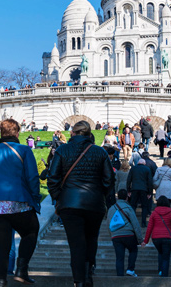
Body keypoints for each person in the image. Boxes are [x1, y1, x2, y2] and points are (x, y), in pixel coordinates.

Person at [0, 119, 41, 287]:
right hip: (19, 203)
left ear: (1, 133)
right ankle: (21, 270)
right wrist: (34, 198)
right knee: (31, 232)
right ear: (17, 133)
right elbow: (33, 178)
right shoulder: (25, 150)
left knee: (0, 248)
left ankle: (0, 283)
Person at [47, 120, 114, 287]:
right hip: (94, 204)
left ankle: (79, 280)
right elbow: (108, 180)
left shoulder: (62, 150)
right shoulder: (100, 152)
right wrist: (101, 196)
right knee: (91, 239)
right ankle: (88, 273)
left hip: (69, 204)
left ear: (73, 133)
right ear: (89, 133)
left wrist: (59, 197)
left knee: (76, 243)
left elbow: (52, 178)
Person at [107, 189, 144, 277]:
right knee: (133, 250)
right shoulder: (128, 207)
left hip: (116, 236)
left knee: (119, 257)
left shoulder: (111, 209)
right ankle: (130, 269)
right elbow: (135, 223)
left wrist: (111, 235)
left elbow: (108, 223)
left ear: (117, 197)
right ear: (127, 198)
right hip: (128, 234)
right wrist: (140, 239)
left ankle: (120, 276)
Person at [143, 196, 171, 277]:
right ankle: (164, 276)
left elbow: (149, 228)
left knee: (160, 253)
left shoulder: (154, 213)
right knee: (166, 258)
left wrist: (145, 241)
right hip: (167, 238)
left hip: (156, 238)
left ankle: (160, 270)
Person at [127, 158, 153, 227]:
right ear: (144, 163)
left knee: (133, 205)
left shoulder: (133, 168)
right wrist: (149, 192)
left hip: (134, 189)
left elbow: (129, 179)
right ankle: (143, 222)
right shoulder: (147, 169)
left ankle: (132, 222)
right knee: (144, 206)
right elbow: (150, 181)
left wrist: (128, 190)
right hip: (144, 189)